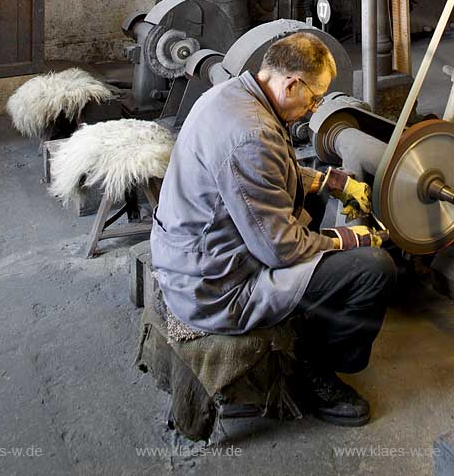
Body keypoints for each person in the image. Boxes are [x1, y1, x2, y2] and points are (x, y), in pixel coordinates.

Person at [151, 32, 395, 426]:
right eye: (314, 98)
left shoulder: (234, 96)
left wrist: (333, 182)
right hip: (216, 288)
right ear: (291, 83)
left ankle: (316, 321)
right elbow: (281, 251)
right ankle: (316, 372)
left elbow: (267, 172)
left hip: (197, 251)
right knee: (373, 269)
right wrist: (353, 238)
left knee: (311, 206)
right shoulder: (251, 134)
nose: (313, 108)